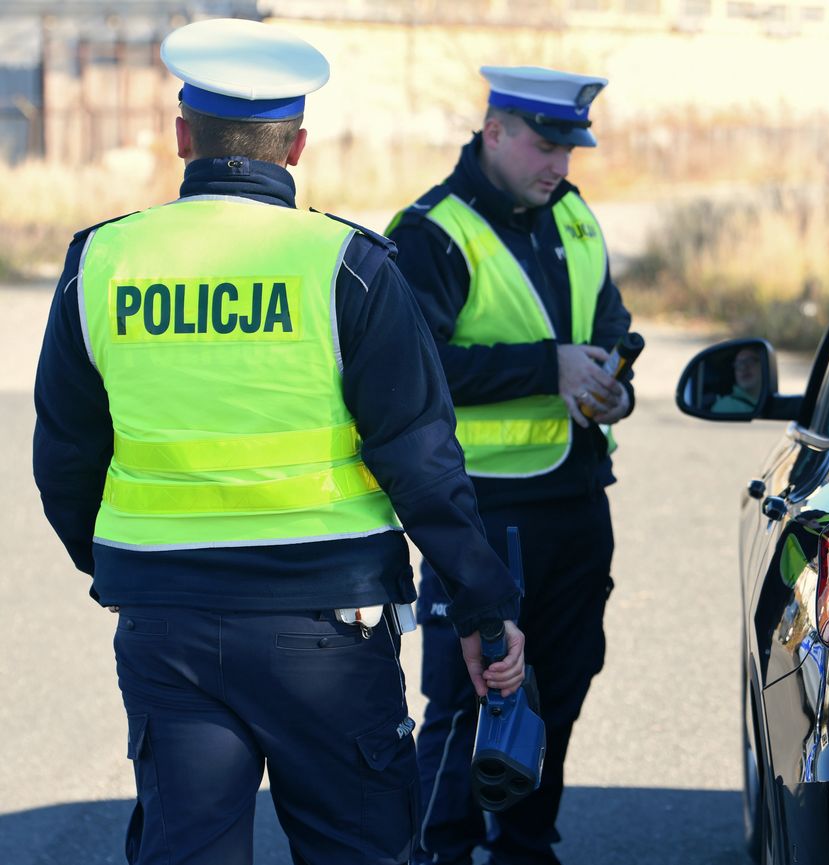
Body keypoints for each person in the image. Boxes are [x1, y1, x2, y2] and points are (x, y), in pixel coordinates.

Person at [32, 19, 525, 865]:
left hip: (167, 620)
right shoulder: (349, 267)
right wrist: (483, 607)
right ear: (296, 144)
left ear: (183, 136)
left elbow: (66, 456)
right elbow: (422, 463)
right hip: (326, 629)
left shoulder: (101, 261)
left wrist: (125, 567)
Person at [385, 65, 634, 865]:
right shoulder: (431, 232)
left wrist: (611, 383)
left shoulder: (573, 214)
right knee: (470, 699)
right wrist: (547, 367)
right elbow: (410, 372)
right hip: (482, 510)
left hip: (576, 496)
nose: (559, 164)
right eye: (544, 144)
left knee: (560, 686)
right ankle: (441, 852)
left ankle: (526, 847)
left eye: (569, 148)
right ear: (494, 132)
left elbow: (614, 326)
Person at [711, 346, 764, 413]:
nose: (744, 367)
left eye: (750, 361)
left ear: (763, 366)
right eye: (738, 364)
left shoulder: (767, 400)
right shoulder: (726, 406)